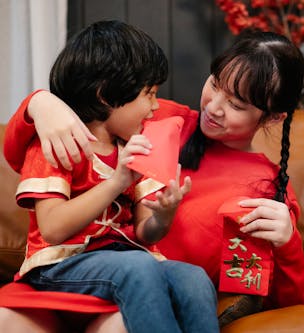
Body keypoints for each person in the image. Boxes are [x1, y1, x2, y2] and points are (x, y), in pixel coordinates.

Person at [3, 28, 304, 329]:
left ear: (274, 117)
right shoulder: (153, 118)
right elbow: (82, 101)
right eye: (215, 85)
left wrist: (288, 244)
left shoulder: (266, 194)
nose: (214, 107)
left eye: (235, 104)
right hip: (75, 271)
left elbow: (289, 309)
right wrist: (40, 103)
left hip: (148, 293)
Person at [0, 20, 219, 333]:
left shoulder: (134, 145)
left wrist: (164, 216)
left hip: (125, 260)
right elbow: (53, 228)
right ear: (105, 95)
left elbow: (146, 235)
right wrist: (117, 181)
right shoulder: (57, 143)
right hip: (60, 263)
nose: (155, 107)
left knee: (193, 278)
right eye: (149, 94)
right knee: (138, 265)